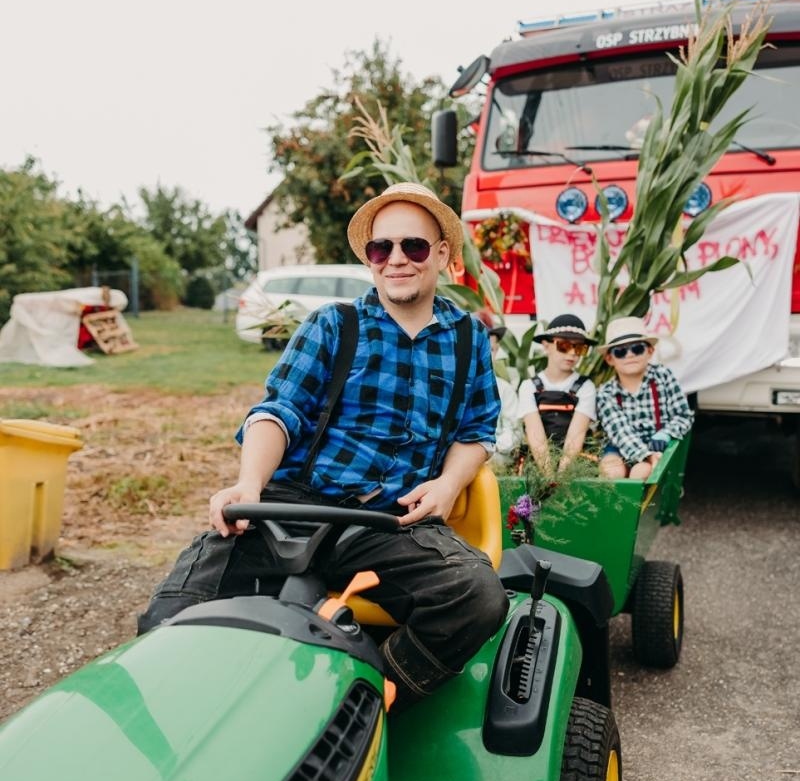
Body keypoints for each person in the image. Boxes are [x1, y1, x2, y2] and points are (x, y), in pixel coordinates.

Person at [138, 181, 509, 711]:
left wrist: (449, 485)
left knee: (478, 597)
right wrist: (249, 485)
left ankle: (367, 699)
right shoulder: (335, 325)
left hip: (391, 523)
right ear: (370, 258)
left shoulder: (469, 339)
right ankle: (189, 717)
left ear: (443, 254)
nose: (396, 260)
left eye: (414, 246)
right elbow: (277, 411)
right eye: (382, 249)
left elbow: (476, 431)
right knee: (172, 612)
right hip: (299, 503)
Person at [596, 316, 694, 480]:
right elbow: (621, 432)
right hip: (620, 446)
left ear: (650, 351)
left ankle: (637, 504)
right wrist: (646, 455)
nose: (629, 355)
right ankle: (617, 505)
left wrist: (666, 433)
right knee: (611, 471)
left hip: (657, 445)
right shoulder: (606, 393)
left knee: (641, 471)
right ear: (609, 359)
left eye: (637, 349)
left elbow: (683, 415)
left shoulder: (663, 377)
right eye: (620, 351)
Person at [517, 313, 598, 474]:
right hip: (538, 462)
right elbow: (535, 435)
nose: (572, 353)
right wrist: (548, 476)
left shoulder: (585, 387)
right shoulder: (528, 387)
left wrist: (561, 476)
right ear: (546, 346)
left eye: (580, 347)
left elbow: (576, 436)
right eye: (564, 346)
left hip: (575, 462)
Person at [485, 322, 522, 472]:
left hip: (493, 455)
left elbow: (513, 431)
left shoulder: (504, 389)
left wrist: (488, 450)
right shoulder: (454, 387)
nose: (485, 354)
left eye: (491, 349)